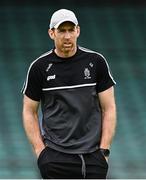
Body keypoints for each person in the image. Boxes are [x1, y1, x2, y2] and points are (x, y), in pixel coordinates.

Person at [21, 8, 117, 179]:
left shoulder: (96, 62)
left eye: (71, 30)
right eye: (61, 31)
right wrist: (40, 152)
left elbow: (109, 108)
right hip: (55, 157)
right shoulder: (39, 68)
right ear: (52, 33)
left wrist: (104, 151)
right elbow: (29, 111)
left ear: (78, 31)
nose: (67, 36)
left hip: (93, 157)